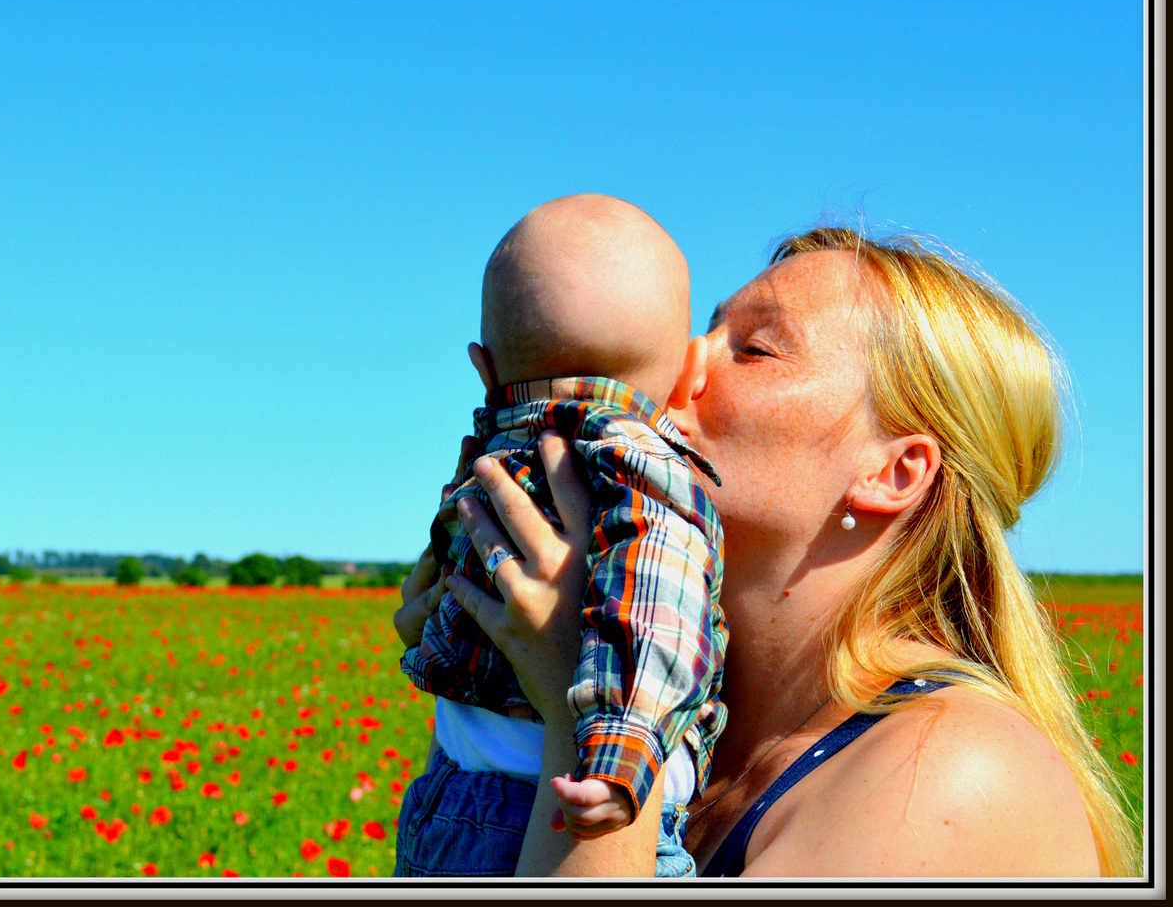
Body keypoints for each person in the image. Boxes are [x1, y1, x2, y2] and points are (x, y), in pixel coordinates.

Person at [396, 226, 1135, 877]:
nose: (683, 363)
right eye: (704, 330)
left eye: (753, 349)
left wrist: (581, 708)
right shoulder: (708, 741)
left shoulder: (951, 778)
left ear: (890, 472)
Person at [398, 195, 725, 878]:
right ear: (692, 374)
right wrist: (618, 750)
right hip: (576, 805)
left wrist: (425, 638)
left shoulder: (492, 461)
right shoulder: (640, 471)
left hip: (451, 795)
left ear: (483, 369)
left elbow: (451, 589)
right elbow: (653, 615)